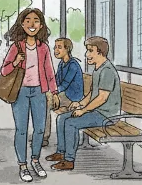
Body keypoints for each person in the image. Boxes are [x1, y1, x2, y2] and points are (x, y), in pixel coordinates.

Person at [0, 8, 59, 183]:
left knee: (40, 129)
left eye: (36, 21)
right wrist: (15, 62)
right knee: (22, 130)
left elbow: (49, 71)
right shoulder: (16, 46)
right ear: (22, 24)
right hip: (21, 92)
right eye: (28, 20)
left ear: (41, 25)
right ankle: (22, 165)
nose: (32, 24)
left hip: (39, 92)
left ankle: (35, 160)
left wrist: (54, 92)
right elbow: (4, 70)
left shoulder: (43, 47)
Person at [47, 36, 123, 171]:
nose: (87, 54)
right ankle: (61, 152)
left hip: (107, 115)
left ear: (100, 52)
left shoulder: (107, 71)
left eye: (90, 51)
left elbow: (102, 98)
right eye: (87, 50)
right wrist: (80, 103)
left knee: (71, 123)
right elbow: (92, 93)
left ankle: (69, 160)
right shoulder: (98, 69)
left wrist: (83, 110)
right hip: (97, 111)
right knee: (62, 118)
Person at [43, 38, 84, 147]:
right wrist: (52, 91)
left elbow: (65, 84)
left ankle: (44, 136)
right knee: (44, 98)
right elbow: (56, 81)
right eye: (55, 47)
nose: (56, 50)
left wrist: (54, 93)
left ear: (67, 49)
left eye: (59, 47)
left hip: (73, 97)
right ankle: (42, 134)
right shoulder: (62, 64)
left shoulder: (73, 65)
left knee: (46, 102)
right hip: (64, 95)